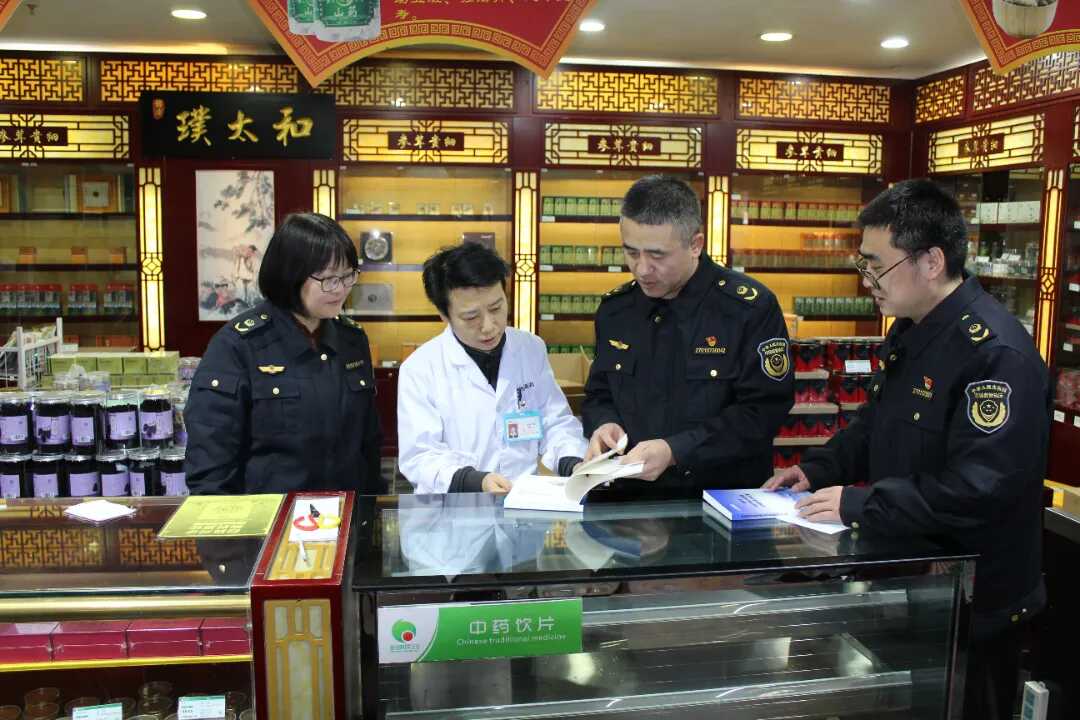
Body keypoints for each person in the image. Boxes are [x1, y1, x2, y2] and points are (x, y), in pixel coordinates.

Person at [764, 179, 1049, 720]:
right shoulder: (911, 332)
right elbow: (875, 426)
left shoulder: (994, 354)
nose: (866, 279)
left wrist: (859, 504)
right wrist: (817, 469)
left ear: (931, 262)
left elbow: (978, 489)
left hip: (975, 608)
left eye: (877, 264)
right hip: (911, 585)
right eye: (863, 263)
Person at [582, 175, 793, 499]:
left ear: (696, 244)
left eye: (657, 255)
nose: (642, 269)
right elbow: (599, 393)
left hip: (718, 501)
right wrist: (603, 424)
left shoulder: (748, 309)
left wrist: (676, 450)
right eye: (631, 252)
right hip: (627, 501)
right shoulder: (616, 310)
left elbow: (762, 412)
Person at [185, 212, 385, 495]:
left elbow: (369, 445)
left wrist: (371, 507)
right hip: (271, 517)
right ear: (291, 275)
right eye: (329, 279)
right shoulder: (238, 345)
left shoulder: (351, 339)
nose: (340, 289)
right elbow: (211, 466)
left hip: (344, 512)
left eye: (347, 276)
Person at [398, 243, 587, 494]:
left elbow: (555, 422)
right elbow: (420, 456)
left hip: (522, 502)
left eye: (496, 308)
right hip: (456, 507)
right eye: (471, 317)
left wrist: (572, 461)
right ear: (444, 315)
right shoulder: (420, 369)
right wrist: (475, 481)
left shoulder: (530, 348)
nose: (489, 326)